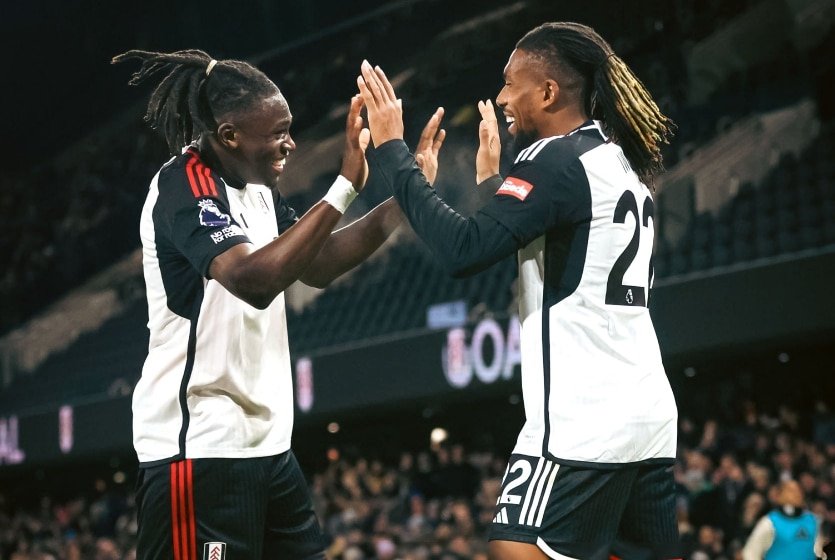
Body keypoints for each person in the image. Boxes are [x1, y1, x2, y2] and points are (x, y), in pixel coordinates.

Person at [357, 21, 679, 560]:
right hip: (647, 415)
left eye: (510, 83)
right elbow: (540, 243)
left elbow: (464, 250)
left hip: (581, 419)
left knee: (513, 549)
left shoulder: (552, 159)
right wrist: (493, 187)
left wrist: (392, 152)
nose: (501, 97)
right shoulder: (617, 161)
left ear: (549, 92)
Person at [112, 49, 444, 560]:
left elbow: (320, 262)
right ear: (229, 136)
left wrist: (406, 195)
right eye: (278, 132)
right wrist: (344, 186)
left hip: (268, 447)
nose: (290, 142)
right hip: (200, 449)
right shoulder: (185, 184)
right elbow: (253, 280)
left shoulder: (261, 190)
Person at [742, 480, 826, 560]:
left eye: (797, 491)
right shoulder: (769, 522)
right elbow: (750, 553)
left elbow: (819, 552)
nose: (793, 495)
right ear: (779, 495)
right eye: (789, 491)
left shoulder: (813, 521)